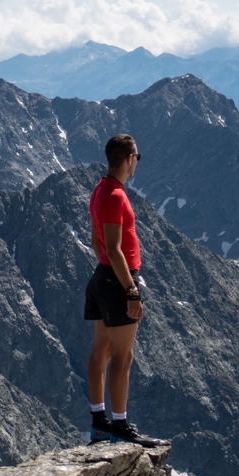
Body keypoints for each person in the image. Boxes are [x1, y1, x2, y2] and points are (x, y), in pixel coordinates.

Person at [84, 134, 168, 447]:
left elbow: (97, 241)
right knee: (123, 357)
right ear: (129, 158)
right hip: (118, 280)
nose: (137, 164)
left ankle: (99, 421)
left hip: (102, 276)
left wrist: (105, 272)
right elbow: (117, 249)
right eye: (137, 158)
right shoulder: (116, 195)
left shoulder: (99, 190)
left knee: (100, 352)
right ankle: (119, 424)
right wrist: (131, 290)